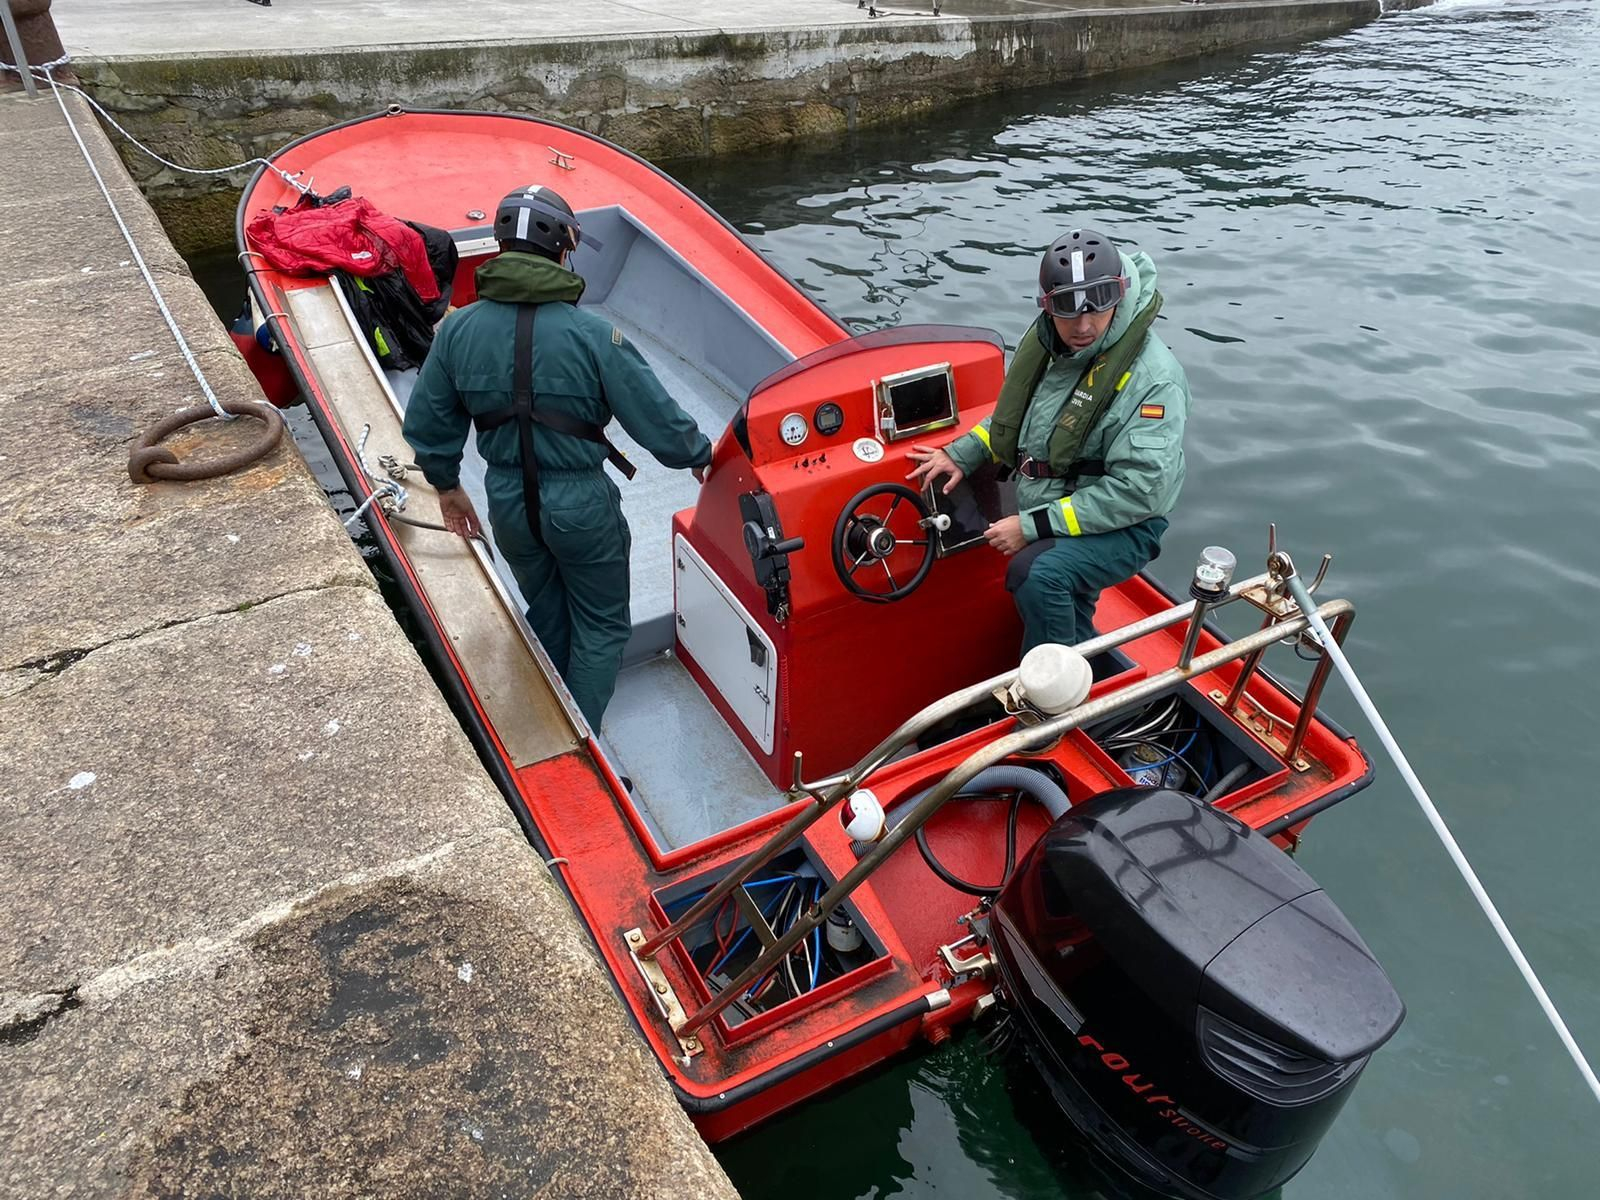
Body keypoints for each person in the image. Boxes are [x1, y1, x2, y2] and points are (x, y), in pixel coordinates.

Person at [403, 184, 712, 728]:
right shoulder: (596, 335)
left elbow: (428, 425)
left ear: (500, 245)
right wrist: (700, 454)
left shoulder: (457, 330)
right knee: (601, 626)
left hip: (507, 503)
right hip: (581, 505)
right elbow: (659, 422)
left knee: (547, 613)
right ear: (564, 249)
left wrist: (448, 488)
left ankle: (549, 722)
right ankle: (579, 738)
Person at [908, 227, 1190, 654]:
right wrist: (962, 453)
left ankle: (1053, 686)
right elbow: (1020, 420)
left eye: (1097, 308)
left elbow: (1139, 491)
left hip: (1127, 525)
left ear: (1118, 296)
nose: (1083, 326)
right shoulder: (1055, 347)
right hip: (1059, 502)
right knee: (1067, 606)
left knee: (1039, 576)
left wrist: (1032, 525)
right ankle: (1087, 666)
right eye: (1067, 310)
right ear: (1047, 306)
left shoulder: (1154, 381)